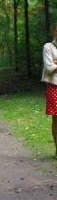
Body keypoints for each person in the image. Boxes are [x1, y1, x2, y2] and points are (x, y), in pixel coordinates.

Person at [41, 23, 57, 159]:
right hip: (54, 85)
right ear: (54, 31)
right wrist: (54, 64)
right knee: (56, 118)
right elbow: (49, 67)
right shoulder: (48, 46)